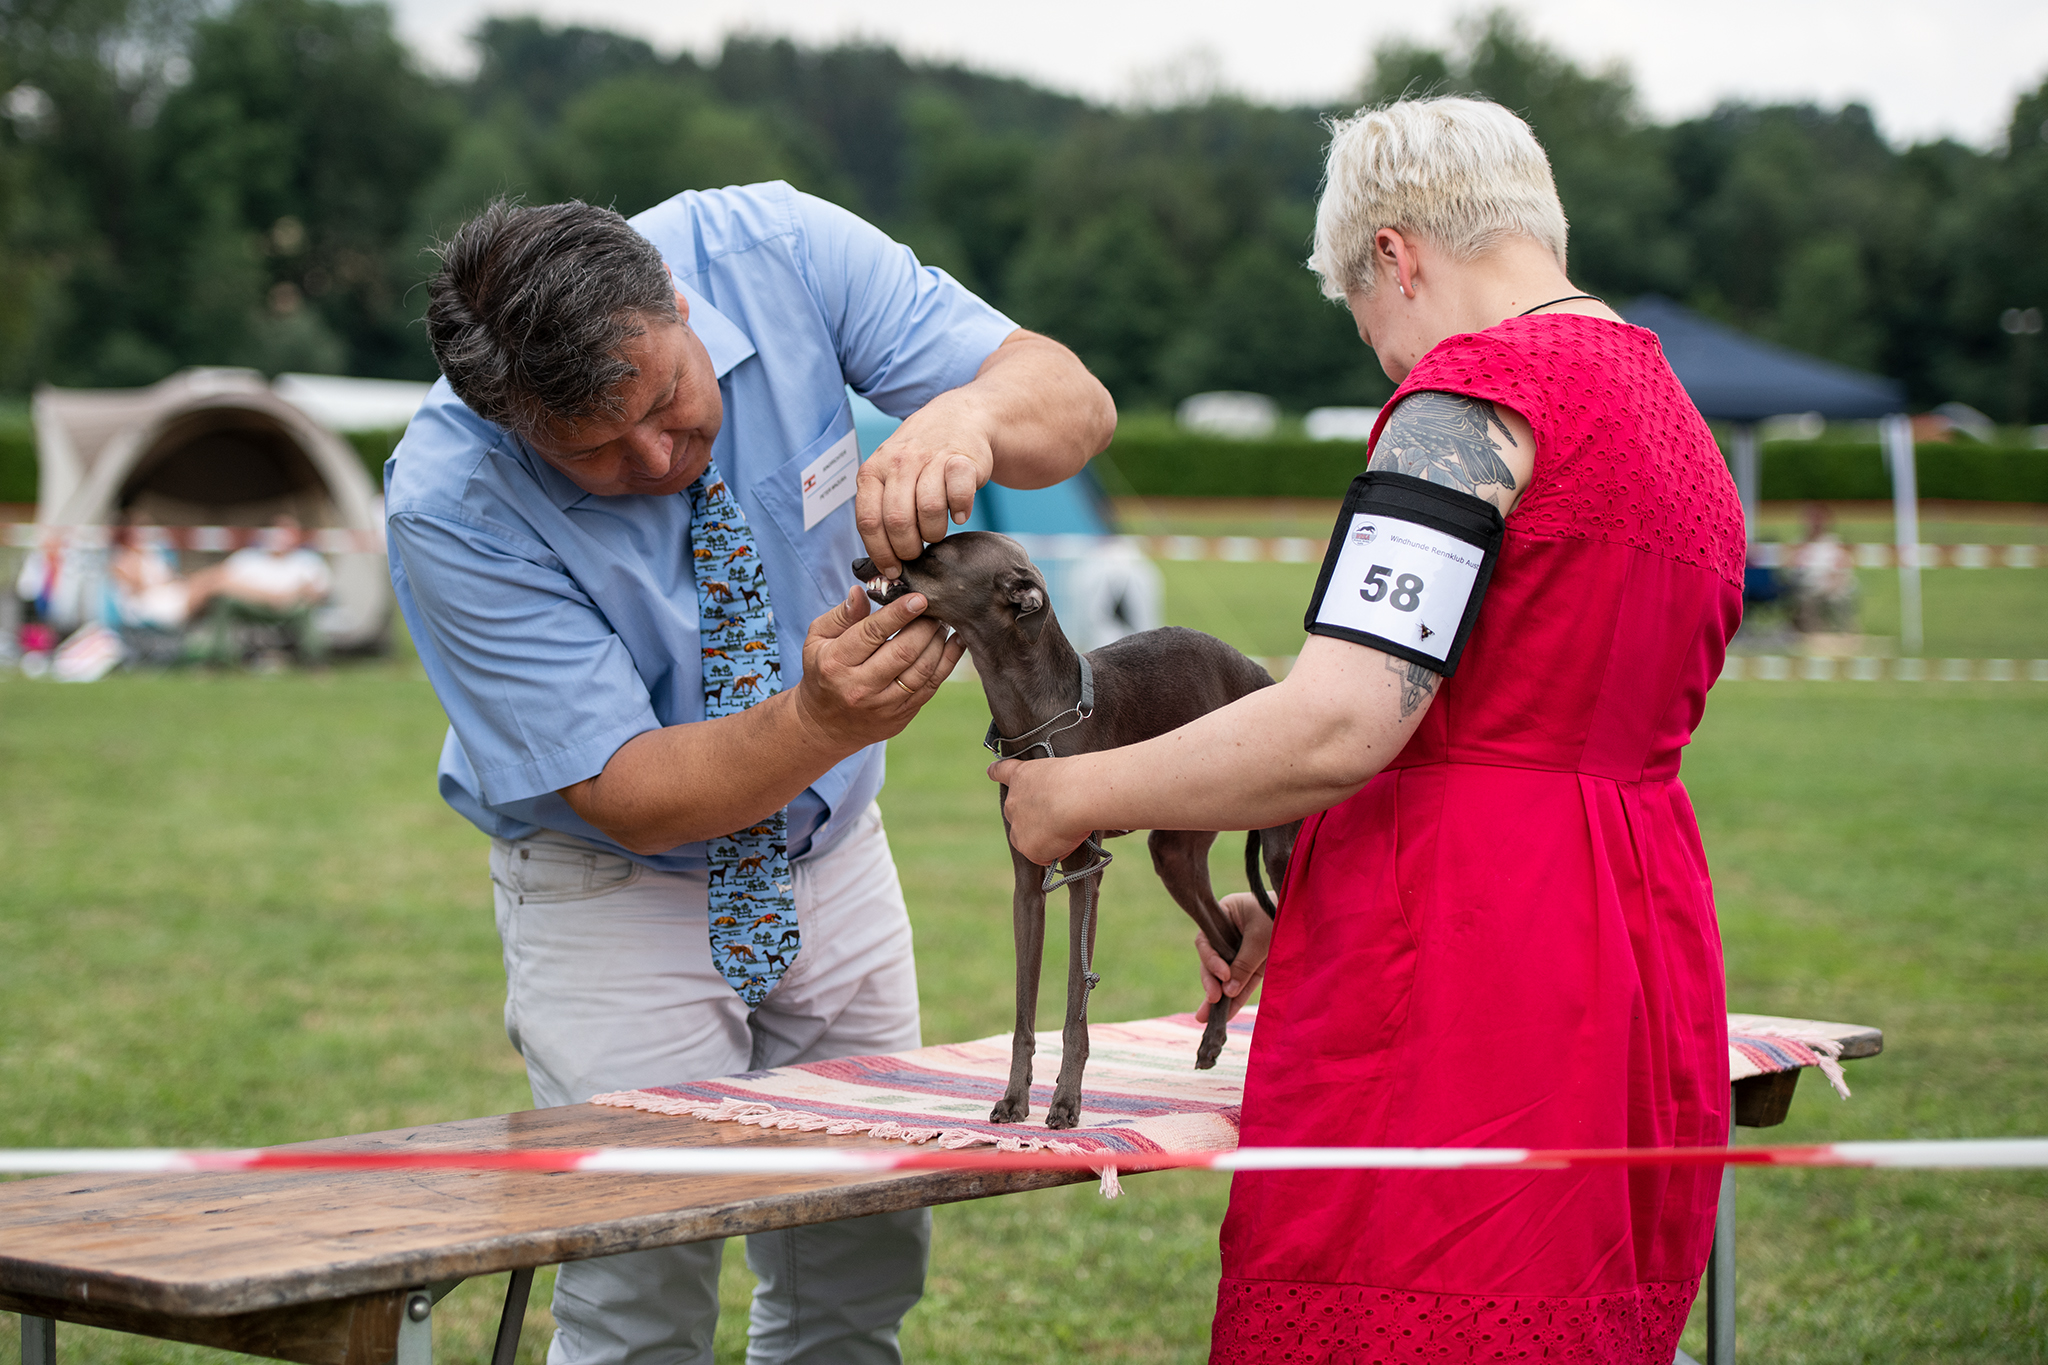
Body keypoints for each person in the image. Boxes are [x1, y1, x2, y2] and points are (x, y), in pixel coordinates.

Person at [996, 96, 1743, 1362]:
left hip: (1466, 967)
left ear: (1392, 254)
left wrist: (1079, 792)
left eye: (1366, 324)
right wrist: (1304, 905)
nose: (1388, 366)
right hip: (1638, 938)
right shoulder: (1675, 417)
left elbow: (1342, 718)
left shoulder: (1466, 400)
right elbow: (1524, 699)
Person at [385, 186, 1111, 1365]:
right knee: (639, 1295)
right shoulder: (448, 500)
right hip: (619, 894)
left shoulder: (777, 248)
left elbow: (1075, 406)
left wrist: (965, 418)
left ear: (677, 303)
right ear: (509, 423)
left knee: (861, 1262)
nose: (653, 458)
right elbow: (626, 791)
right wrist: (820, 720)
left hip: (832, 858)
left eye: (663, 402)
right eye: (589, 452)